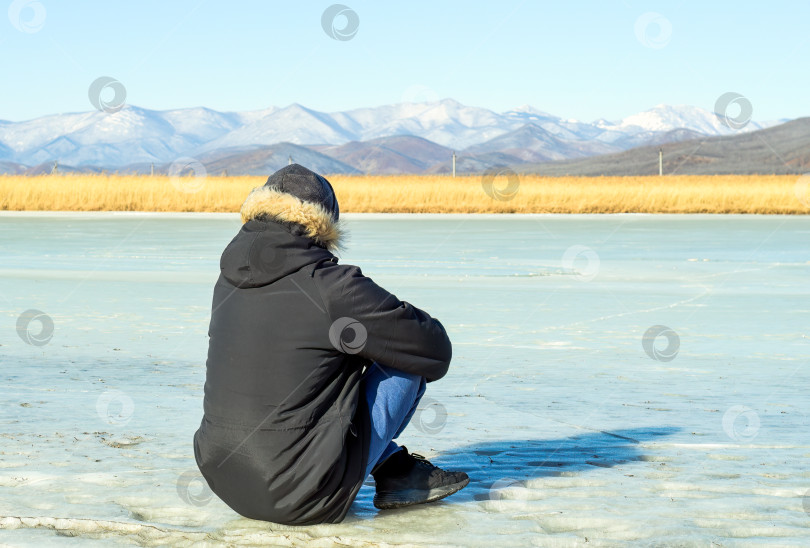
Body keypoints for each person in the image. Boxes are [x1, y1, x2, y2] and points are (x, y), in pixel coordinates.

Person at [193, 164, 469, 525]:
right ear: (325, 222)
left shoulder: (228, 280)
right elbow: (433, 350)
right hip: (301, 496)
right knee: (404, 360)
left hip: (224, 479)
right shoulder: (331, 287)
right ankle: (394, 475)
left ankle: (395, 467)